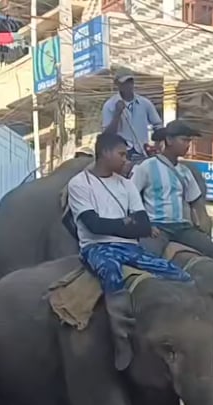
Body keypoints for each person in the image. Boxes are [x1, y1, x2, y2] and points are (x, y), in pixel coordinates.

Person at [66, 132, 193, 370]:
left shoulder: (126, 184)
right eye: (122, 154)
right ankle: (121, 337)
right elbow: (93, 226)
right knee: (111, 272)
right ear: (104, 152)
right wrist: (125, 223)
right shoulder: (79, 184)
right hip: (96, 248)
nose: (126, 160)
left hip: (130, 247)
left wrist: (123, 225)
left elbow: (143, 225)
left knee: (176, 273)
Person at [130, 122, 213, 261]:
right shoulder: (147, 167)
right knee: (147, 261)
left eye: (189, 141)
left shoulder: (185, 172)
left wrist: (203, 224)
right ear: (169, 140)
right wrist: (145, 225)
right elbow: (131, 197)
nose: (188, 145)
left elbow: (195, 202)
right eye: (184, 140)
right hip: (157, 227)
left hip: (182, 228)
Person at [102, 69, 163, 165]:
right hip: (121, 155)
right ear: (117, 84)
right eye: (124, 83)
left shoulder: (145, 103)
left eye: (130, 82)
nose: (128, 85)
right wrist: (117, 114)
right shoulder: (109, 105)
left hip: (143, 152)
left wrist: (157, 146)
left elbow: (158, 125)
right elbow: (107, 135)